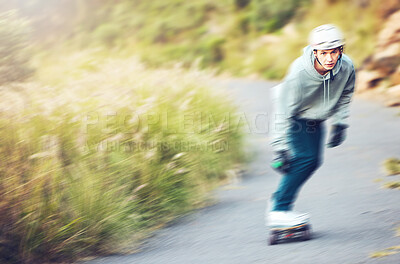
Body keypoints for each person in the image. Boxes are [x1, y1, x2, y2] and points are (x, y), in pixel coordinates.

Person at [267, 24, 356, 227]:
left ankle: (279, 199)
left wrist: (340, 123)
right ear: (315, 51)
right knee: (306, 158)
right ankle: (279, 209)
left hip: (316, 117)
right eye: (324, 53)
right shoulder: (299, 72)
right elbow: (282, 111)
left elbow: (345, 94)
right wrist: (280, 148)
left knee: (313, 161)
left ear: (341, 50)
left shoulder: (347, 67)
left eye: (334, 52)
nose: (330, 58)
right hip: (295, 116)